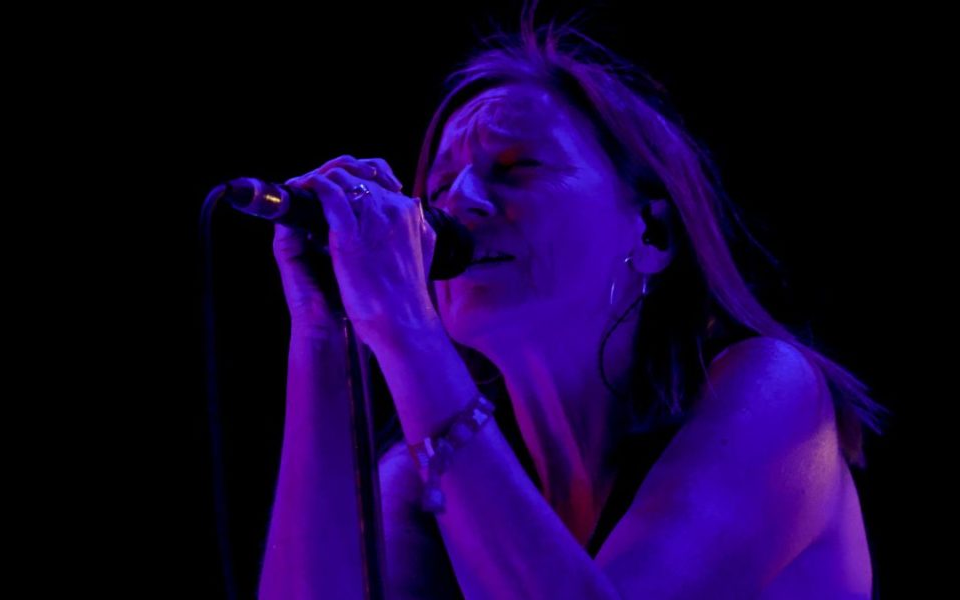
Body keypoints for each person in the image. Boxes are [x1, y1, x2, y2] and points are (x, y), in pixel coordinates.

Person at [258, 4, 889, 598]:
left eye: (517, 167)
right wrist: (325, 334)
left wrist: (408, 330)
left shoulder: (775, 393)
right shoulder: (429, 472)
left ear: (652, 233)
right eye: (442, 183)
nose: (457, 203)